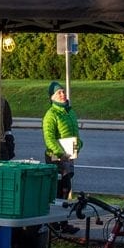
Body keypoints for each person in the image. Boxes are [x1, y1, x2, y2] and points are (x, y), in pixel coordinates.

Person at [42, 81, 83, 234]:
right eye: (58, 92)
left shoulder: (69, 111)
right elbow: (49, 139)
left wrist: (78, 145)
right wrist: (61, 153)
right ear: (52, 97)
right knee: (58, 190)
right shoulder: (51, 115)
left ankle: (63, 222)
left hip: (68, 156)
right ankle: (54, 224)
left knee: (66, 190)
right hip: (56, 157)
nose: (62, 94)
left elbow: (75, 133)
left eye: (63, 91)